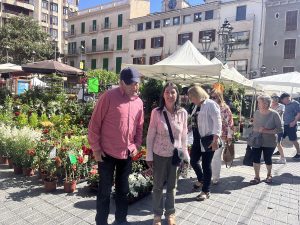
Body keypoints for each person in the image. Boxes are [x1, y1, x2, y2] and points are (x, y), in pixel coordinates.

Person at [88, 67, 144, 225]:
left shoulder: (139, 102)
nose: (135, 87)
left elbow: (139, 127)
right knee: (104, 192)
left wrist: (137, 145)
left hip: (126, 154)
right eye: (131, 84)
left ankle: (121, 220)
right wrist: (96, 149)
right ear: (121, 83)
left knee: (123, 191)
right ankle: (101, 222)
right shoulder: (108, 97)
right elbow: (94, 124)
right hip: (106, 153)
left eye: (137, 83)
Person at [146, 82, 189, 225]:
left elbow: (184, 136)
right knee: (157, 186)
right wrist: (149, 156)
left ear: (177, 95)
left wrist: (186, 155)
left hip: (175, 156)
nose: (170, 95)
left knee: (172, 186)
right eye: (167, 92)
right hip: (159, 154)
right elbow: (150, 135)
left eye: (173, 92)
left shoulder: (183, 113)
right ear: (163, 95)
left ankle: (170, 213)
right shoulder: (156, 112)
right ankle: (157, 215)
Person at [188, 85, 222, 201]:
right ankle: (201, 179)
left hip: (208, 139)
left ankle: (205, 190)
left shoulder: (210, 104)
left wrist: (216, 140)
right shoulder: (196, 106)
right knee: (193, 160)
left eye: (192, 97)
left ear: (197, 95)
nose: (191, 100)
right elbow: (194, 122)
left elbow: (218, 122)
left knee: (206, 165)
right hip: (197, 139)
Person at [250, 95, 283, 185]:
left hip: (270, 141)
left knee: (267, 158)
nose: (258, 104)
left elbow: (280, 129)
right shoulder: (256, 113)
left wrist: (266, 131)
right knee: (256, 158)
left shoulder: (274, 114)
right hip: (257, 140)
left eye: (259, 102)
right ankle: (257, 177)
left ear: (266, 103)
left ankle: (269, 175)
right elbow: (255, 127)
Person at [210, 89, 234, 184]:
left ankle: (215, 177)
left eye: (214, 97)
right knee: (209, 157)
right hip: (209, 135)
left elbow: (230, 123)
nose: (212, 99)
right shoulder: (209, 107)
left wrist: (229, 136)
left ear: (219, 97)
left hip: (221, 136)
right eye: (211, 97)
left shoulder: (225, 108)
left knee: (216, 157)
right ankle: (209, 174)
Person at [280, 93, 300, 159]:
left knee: (293, 139)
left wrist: (294, 122)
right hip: (285, 124)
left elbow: (298, 113)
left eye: (283, 100)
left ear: (287, 98)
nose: (283, 101)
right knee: (280, 138)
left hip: (291, 125)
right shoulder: (286, 104)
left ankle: (299, 153)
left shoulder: (295, 103)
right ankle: (279, 150)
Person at [270, 94, 286, 163]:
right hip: (270, 126)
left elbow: (279, 114)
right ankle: (265, 155)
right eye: (274, 98)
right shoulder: (269, 106)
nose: (275, 99)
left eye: (277, 98)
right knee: (269, 141)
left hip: (278, 127)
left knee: (278, 143)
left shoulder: (281, 106)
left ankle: (283, 158)